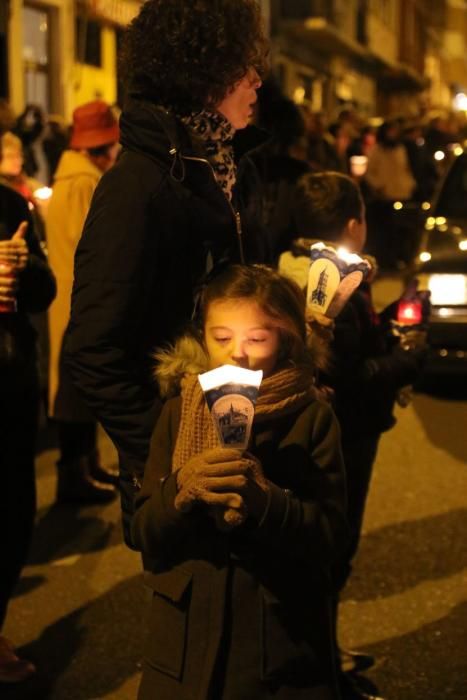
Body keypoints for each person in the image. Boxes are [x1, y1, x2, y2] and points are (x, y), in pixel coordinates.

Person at [64, 0, 269, 543]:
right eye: (243, 64)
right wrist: (165, 451)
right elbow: (92, 349)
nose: (257, 78)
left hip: (236, 440)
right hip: (181, 473)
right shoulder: (140, 185)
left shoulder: (229, 171)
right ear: (203, 73)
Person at [131, 263, 347, 700]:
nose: (237, 354)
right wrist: (180, 490)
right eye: (222, 337)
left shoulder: (311, 416)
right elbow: (142, 530)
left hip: (276, 644)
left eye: (257, 338)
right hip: (184, 644)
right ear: (203, 335)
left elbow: (329, 538)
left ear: (285, 338)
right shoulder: (179, 410)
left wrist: (265, 500)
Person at [281, 171, 426, 700]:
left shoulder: (296, 264)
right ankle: (322, 673)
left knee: (322, 553)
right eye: (363, 215)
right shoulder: (329, 284)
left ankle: (325, 654)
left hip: (332, 430)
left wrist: (387, 321)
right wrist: (405, 358)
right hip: (345, 434)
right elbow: (347, 373)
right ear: (352, 224)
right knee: (329, 552)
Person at [46, 100, 120, 504]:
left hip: (67, 298)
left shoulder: (72, 178)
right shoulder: (83, 183)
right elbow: (90, 247)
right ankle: (74, 475)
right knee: (76, 393)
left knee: (78, 391)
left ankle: (86, 465)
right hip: (77, 298)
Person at [0, 182, 56, 683]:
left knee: (15, 514)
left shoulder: (9, 203)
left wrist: (24, 267)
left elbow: (46, 287)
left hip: (12, 381)